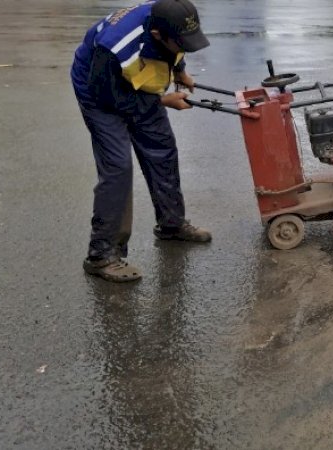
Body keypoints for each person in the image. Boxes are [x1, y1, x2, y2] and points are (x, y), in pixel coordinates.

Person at [71, 0, 211, 282]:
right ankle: (101, 255)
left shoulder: (169, 15)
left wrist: (180, 69)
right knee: (118, 168)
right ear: (158, 35)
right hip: (98, 91)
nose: (185, 45)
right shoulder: (113, 47)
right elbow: (112, 99)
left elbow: (175, 45)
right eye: (180, 43)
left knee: (162, 150)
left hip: (134, 82)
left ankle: (171, 225)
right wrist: (162, 101)